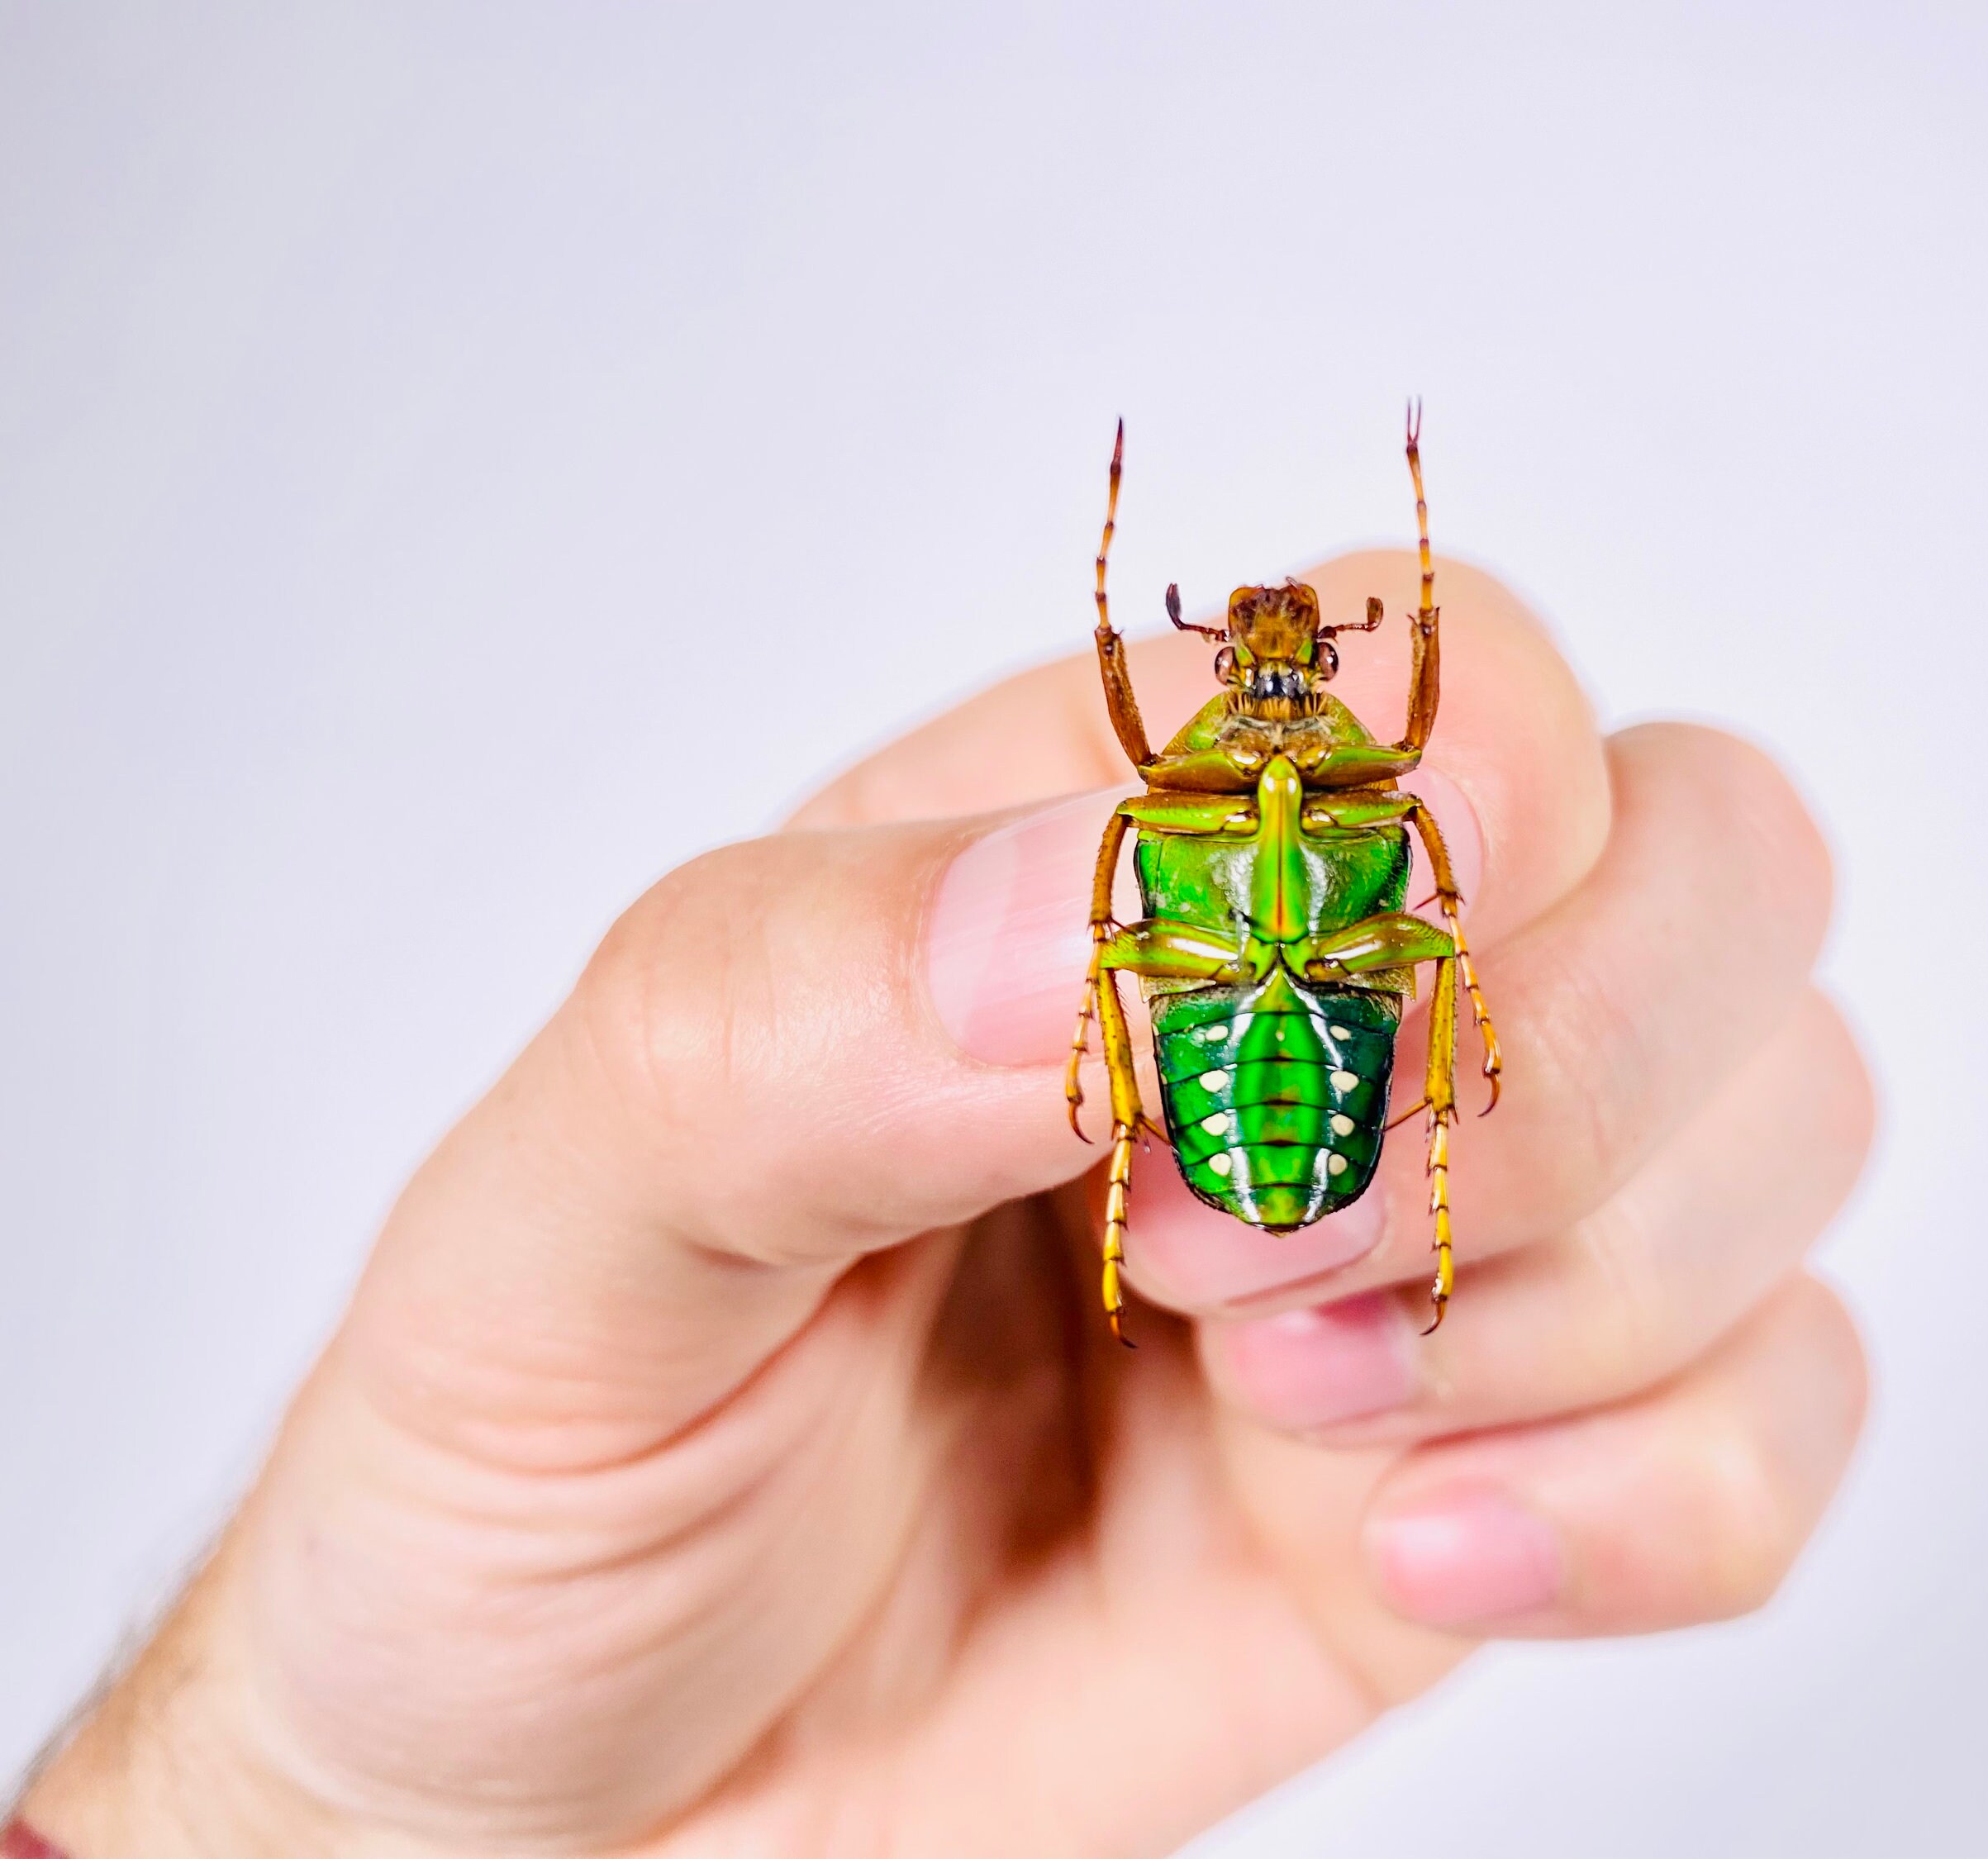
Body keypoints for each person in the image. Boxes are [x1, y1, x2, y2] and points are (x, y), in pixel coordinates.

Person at [13, 552, 1873, 1858]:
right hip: (1241, 1035)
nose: (1290, 688)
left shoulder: (1354, 818)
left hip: (1256, 1047)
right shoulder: (1170, 813)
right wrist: (290, 1813)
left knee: (1471, 979)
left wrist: (278, 1821)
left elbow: (1420, 938)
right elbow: (1143, 899)